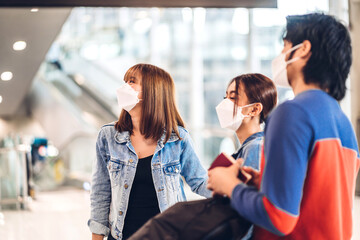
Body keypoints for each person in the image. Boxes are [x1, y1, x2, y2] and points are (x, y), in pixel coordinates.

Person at [208, 13, 360, 239]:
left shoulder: (291, 113)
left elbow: (279, 217)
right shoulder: (343, 123)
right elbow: (320, 198)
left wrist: (230, 186)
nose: (280, 55)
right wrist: (263, 182)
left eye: (285, 46)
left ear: (303, 49)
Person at [128, 73, 277, 240]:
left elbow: (247, 213)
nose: (224, 104)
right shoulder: (250, 147)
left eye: (233, 98)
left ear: (255, 109)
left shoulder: (255, 149)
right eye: (225, 97)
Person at [88, 63, 212, 240]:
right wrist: (97, 237)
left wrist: (236, 193)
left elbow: (199, 181)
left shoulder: (177, 138)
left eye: (132, 81)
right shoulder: (108, 136)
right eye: (125, 81)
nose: (124, 86)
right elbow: (100, 191)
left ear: (152, 92)